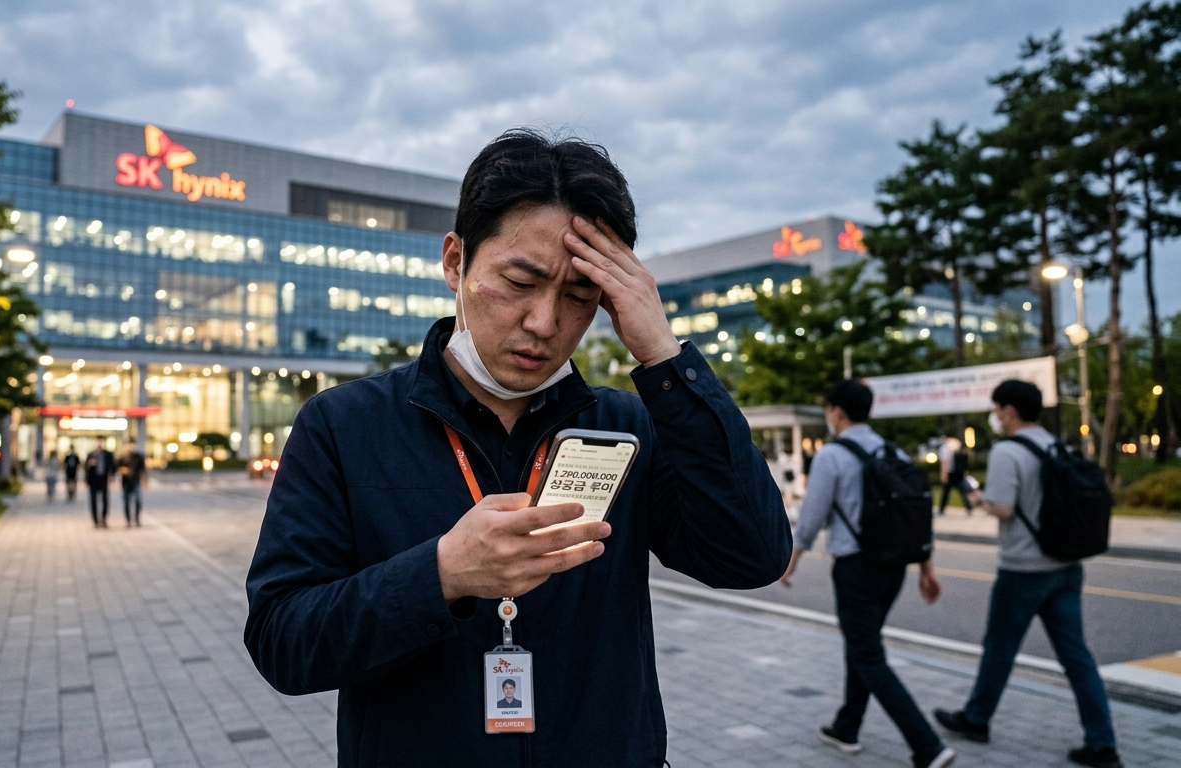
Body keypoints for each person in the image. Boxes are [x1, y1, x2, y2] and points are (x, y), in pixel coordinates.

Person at [243, 128, 792, 767]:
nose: (544, 323)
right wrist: (441, 574)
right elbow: (282, 640)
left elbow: (752, 554)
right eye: (519, 282)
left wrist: (665, 360)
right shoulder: (343, 424)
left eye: (580, 297)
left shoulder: (628, 425)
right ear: (456, 262)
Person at [934, 380, 1121, 768]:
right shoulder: (1054, 444)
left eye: (998, 408)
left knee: (1000, 649)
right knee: (1077, 657)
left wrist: (977, 497)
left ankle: (976, 719)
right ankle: (1103, 744)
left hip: (1023, 569)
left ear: (1010, 411)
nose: (996, 415)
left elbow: (1002, 507)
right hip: (1066, 566)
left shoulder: (1008, 450)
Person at [780, 380, 955, 768]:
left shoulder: (832, 456)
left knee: (867, 653)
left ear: (837, 412)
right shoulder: (891, 451)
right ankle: (847, 727)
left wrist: (789, 563)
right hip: (894, 567)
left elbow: (811, 520)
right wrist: (927, 567)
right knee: (863, 646)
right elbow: (915, 515)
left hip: (856, 568)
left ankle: (927, 747)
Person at [937, 435, 973, 515]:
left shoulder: (944, 449)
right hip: (957, 473)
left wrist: (943, 474)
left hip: (950, 473)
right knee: (961, 491)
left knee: (945, 492)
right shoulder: (953, 447)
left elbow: (945, 462)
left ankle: (941, 509)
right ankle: (969, 507)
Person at [84, 437, 114, 529]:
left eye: (101, 442)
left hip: (103, 480)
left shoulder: (108, 454)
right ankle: (95, 521)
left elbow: (112, 467)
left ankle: (104, 519)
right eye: (97, 442)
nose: (99, 444)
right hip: (93, 480)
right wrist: (89, 464)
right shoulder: (90, 455)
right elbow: (85, 468)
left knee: (105, 500)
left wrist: (111, 476)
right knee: (93, 501)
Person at [117, 442, 147, 527]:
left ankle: (137, 519)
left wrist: (144, 480)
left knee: (138, 501)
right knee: (126, 503)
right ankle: (128, 520)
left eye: (132, 445)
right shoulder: (122, 457)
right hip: (125, 482)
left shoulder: (138, 457)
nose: (130, 447)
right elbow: (117, 468)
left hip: (136, 482)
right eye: (128, 445)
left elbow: (143, 469)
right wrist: (124, 470)